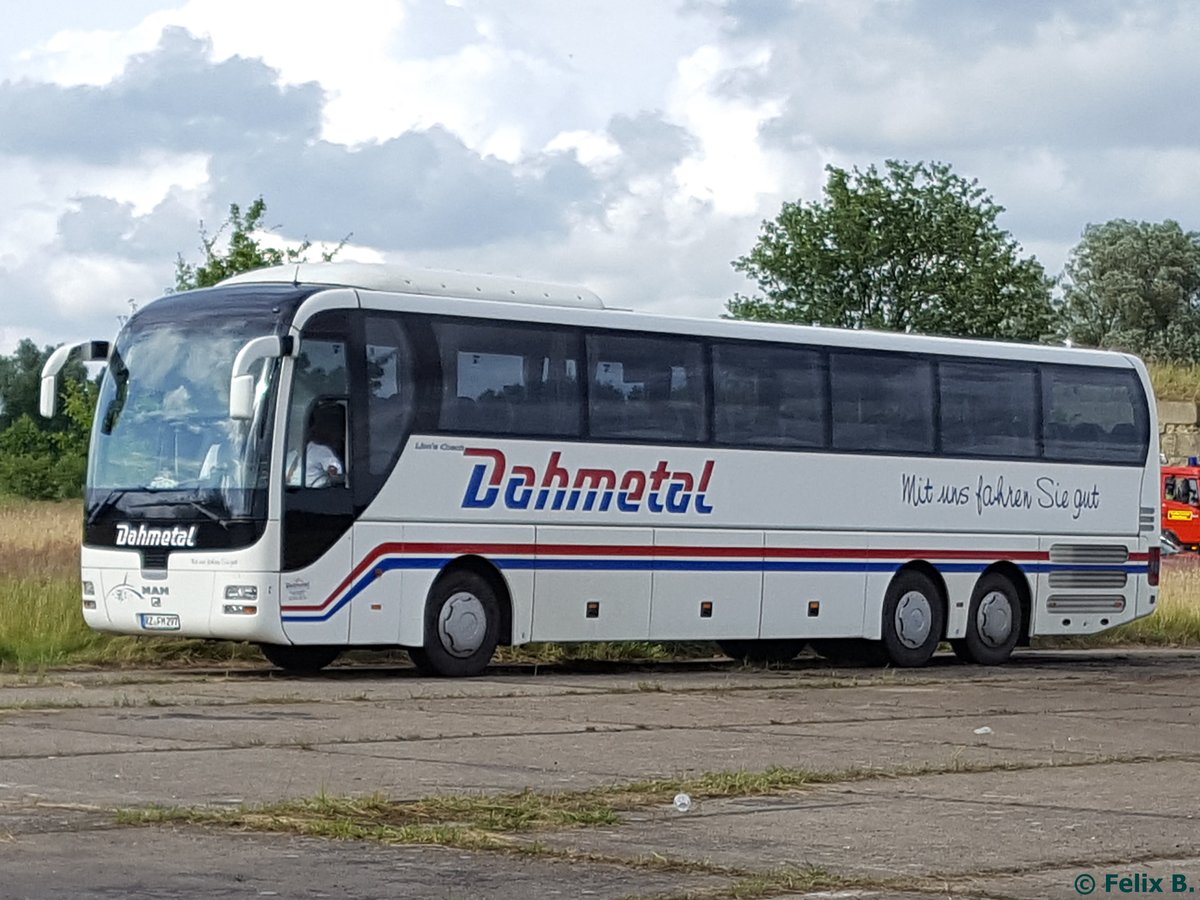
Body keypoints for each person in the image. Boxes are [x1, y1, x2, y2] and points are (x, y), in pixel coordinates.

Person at [287, 403, 345, 487]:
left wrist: (333, 469)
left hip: (311, 493)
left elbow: (333, 465)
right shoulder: (291, 453)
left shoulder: (319, 450)